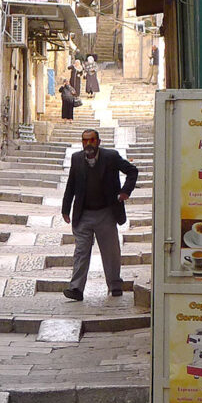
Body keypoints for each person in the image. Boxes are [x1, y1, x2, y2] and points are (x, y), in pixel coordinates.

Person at [61, 129, 139, 300]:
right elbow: (71, 184)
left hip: (106, 212)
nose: (88, 144)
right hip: (84, 214)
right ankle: (76, 289)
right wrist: (66, 209)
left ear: (98, 141)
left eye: (92, 140)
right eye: (85, 141)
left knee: (110, 251)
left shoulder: (110, 157)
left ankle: (115, 284)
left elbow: (132, 171)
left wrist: (125, 192)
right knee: (81, 251)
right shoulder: (76, 159)